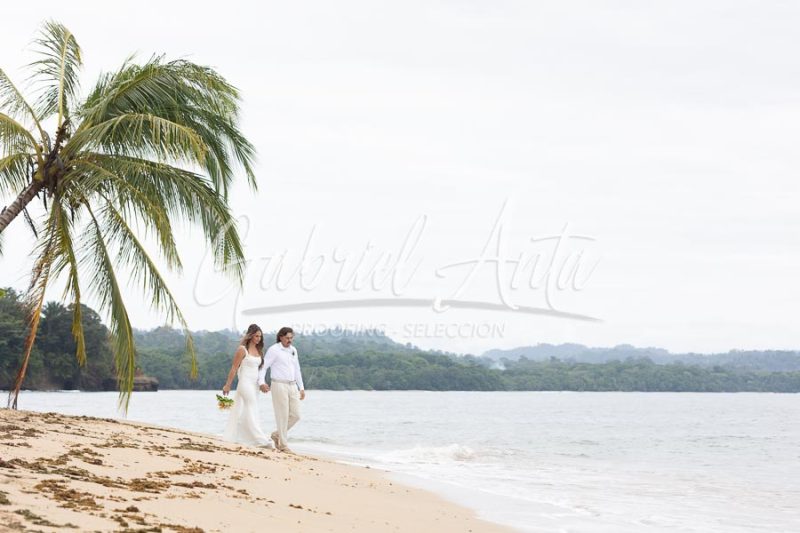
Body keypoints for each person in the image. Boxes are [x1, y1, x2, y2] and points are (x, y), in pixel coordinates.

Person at [221, 324, 273, 448]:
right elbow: (234, 368)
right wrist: (227, 385)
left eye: (260, 336)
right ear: (250, 335)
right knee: (251, 406)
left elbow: (260, 370)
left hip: (255, 385)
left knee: (251, 409)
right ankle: (260, 439)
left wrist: (262, 384)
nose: (258, 338)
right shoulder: (242, 350)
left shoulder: (259, 351)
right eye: (256, 336)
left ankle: (245, 436)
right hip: (245, 383)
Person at [258, 327, 305, 453]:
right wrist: (261, 382)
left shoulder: (293, 350)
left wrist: (301, 388)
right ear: (281, 337)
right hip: (279, 385)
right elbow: (263, 367)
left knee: (296, 415)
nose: (290, 340)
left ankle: (276, 435)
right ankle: (283, 445)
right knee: (282, 415)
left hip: (293, 385)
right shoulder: (274, 350)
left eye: (291, 338)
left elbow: (297, 369)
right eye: (287, 338)